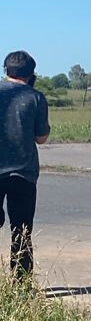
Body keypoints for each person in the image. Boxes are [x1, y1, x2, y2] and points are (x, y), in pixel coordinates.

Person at [0, 50, 50, 281]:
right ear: (31, 74)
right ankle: (21, 284)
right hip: (23, 172)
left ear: (6, 70)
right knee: (21, 231)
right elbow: (41, 138)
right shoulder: (36, 97)